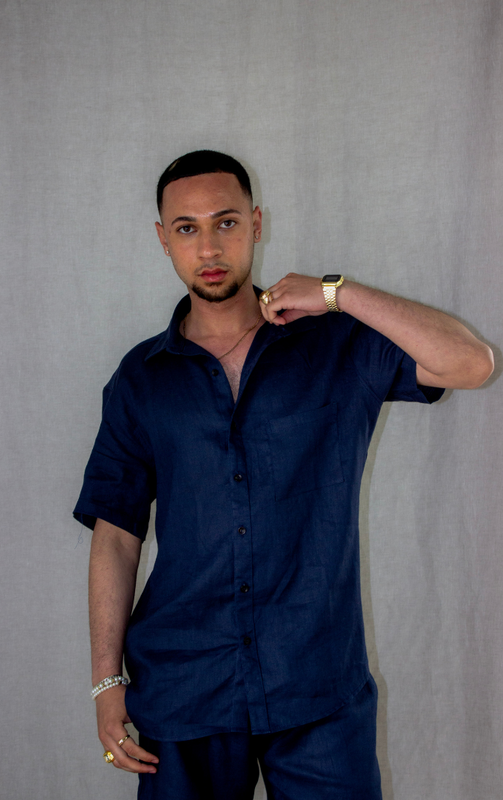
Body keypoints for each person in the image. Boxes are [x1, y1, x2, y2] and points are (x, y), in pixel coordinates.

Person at [74, 150, 493, 799]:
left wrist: (336, 293)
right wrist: (107, 682)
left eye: (226, 222)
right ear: (162, 238)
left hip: (318, 686)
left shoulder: (335, 343)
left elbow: (471, 363)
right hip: (185, 689)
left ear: (256, 223)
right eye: (186, 228)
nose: (209, 247)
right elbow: (116, 534)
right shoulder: (140, 379)